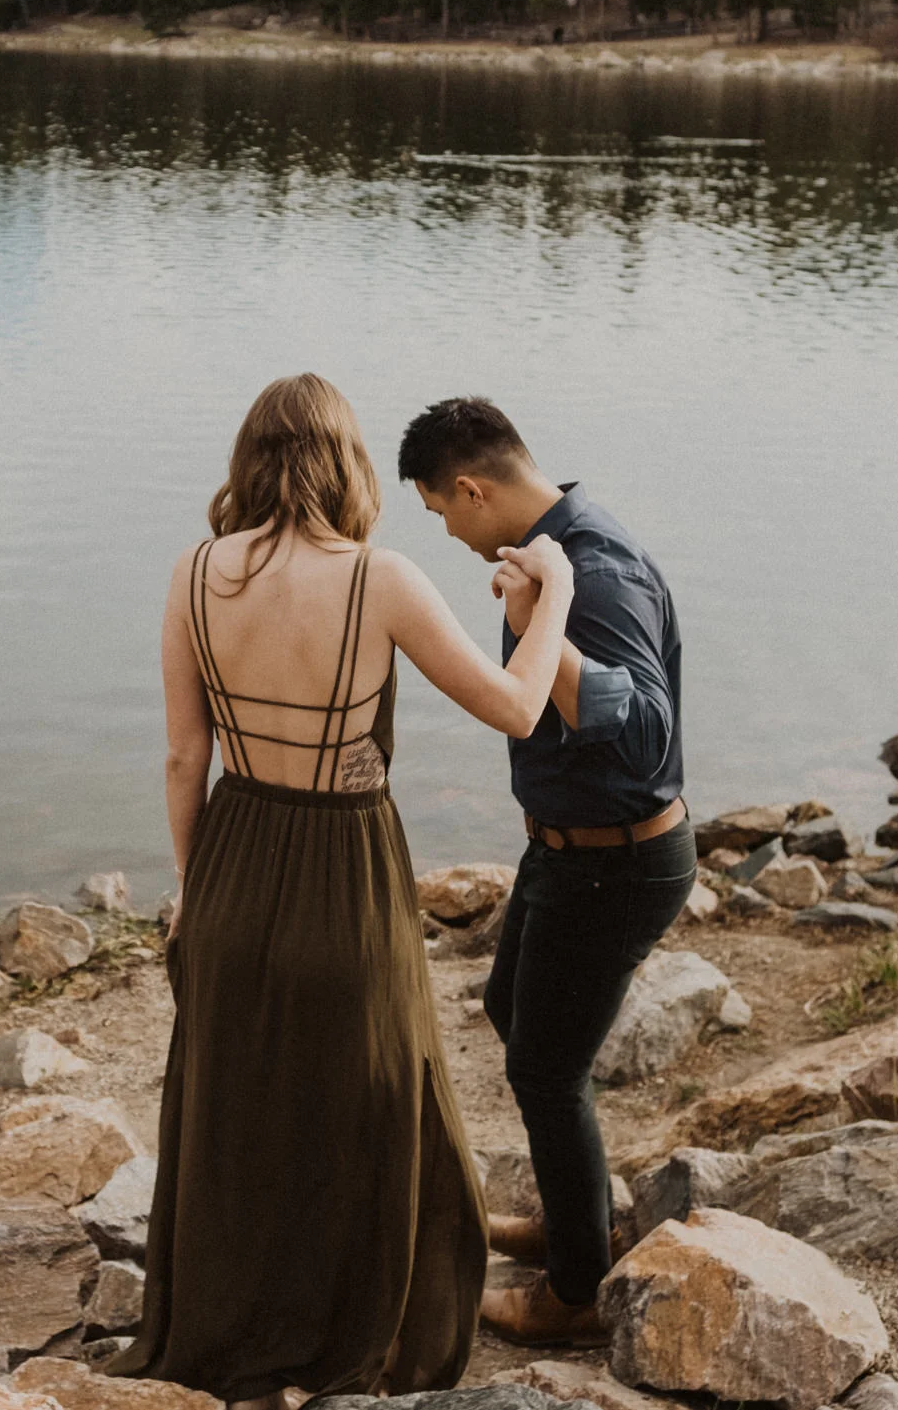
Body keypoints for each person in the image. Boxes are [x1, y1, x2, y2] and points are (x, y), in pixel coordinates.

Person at [113, 373, 577, 1406]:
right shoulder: (380, 578)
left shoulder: (194, 573)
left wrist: (198, 897)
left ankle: (239, 1319)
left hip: (234, 855)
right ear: (346, 462)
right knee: (376, 1096)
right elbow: (514, 705)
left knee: (245, 1107)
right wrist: (557, 596)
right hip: (344, 862)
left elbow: (184, 762)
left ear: (250, 458)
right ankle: (350, 1323)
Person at [396, 396, 692, 1346]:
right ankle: (577, 1220)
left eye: (443, 511)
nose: (447, 531)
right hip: (564, 848)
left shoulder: (591, 571)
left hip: (618, 859)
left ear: (474, 488)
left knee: (545, 1065)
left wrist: (544, 625)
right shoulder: (554, 549)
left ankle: (573, 1290)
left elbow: (646, 741)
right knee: (510, 1007)